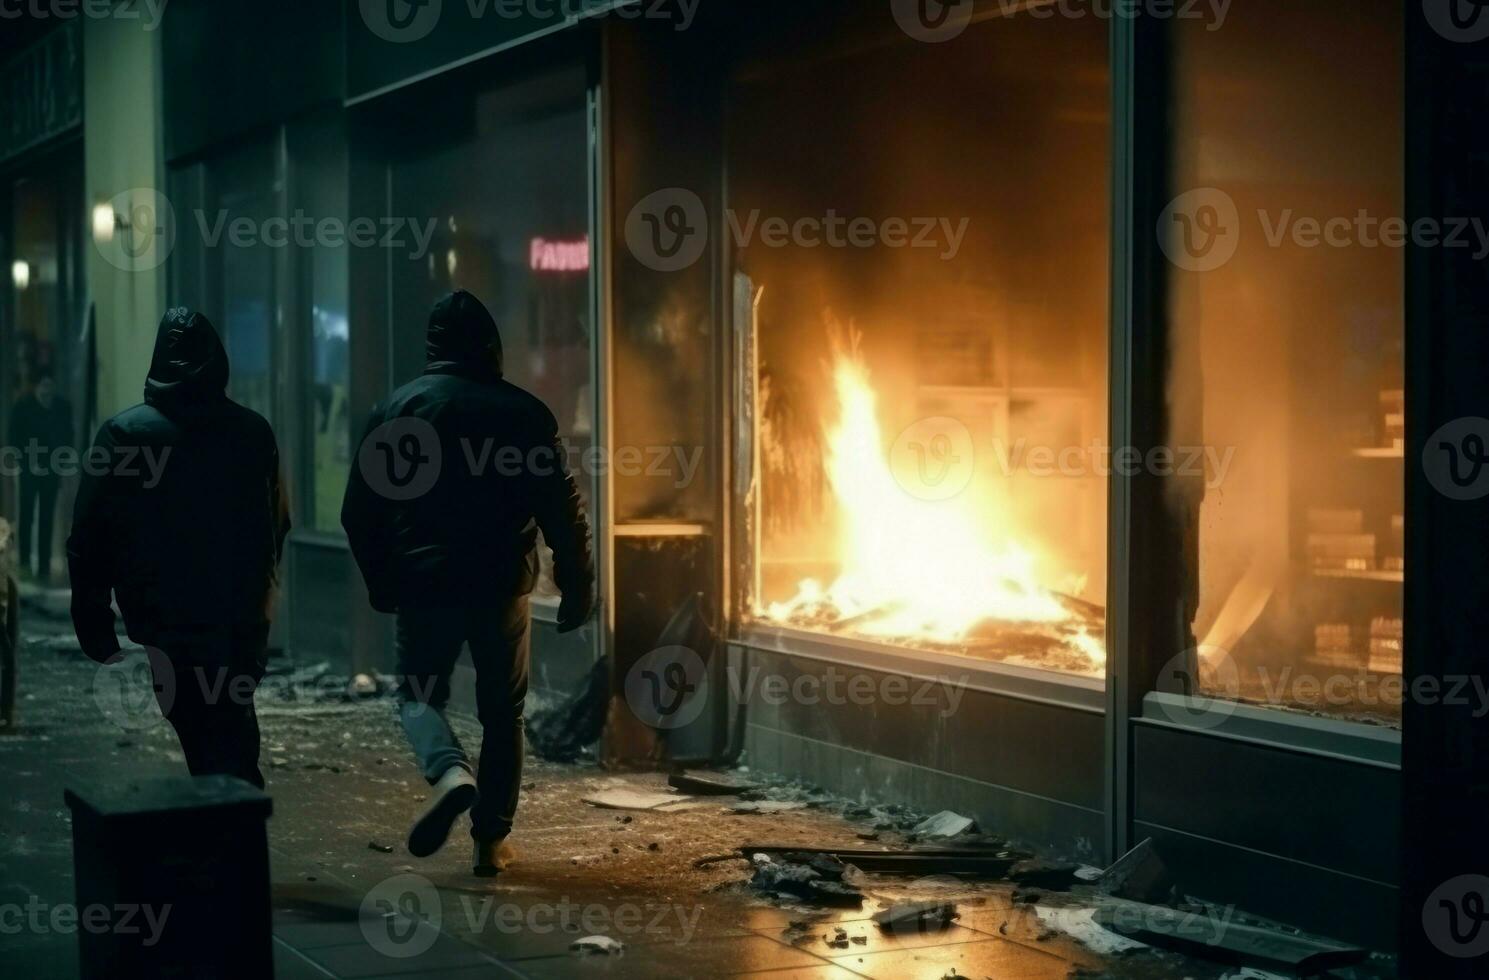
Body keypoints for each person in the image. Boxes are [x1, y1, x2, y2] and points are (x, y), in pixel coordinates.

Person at [342, 289, 594, 876]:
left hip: (423, 581)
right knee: (502, 713)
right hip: (501, 583)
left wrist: (382, 579)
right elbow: (563, 508)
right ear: (491, 345)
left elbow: (360, 512)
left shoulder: (395, 411)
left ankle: (451, 771)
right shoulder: (524, 414)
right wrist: (577, 582)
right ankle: (490, 842)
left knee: (417, 696)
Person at [68, 309, 290, 788]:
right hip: (236, 618)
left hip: (166, 618)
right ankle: (235, 832)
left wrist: (93, 618)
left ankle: (228, 833)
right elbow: (277, 523)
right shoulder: (252, 433)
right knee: (230, 728)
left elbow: (90, 535)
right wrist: (261, 598)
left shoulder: (126, 435)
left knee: (202, 731)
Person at [9, 372, 73, 583]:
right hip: (29, 467)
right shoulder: (23, 406)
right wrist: (23, 460)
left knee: (46, 516)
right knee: (26, 515)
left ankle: (44, 565)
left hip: (51, 468)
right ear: (37, 387)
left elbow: (68, 435)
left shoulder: (62, 407)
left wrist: (62, 463)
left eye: (50, 386)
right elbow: (13, 436)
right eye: (43, 386)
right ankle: (25, 561)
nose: (47, 391)